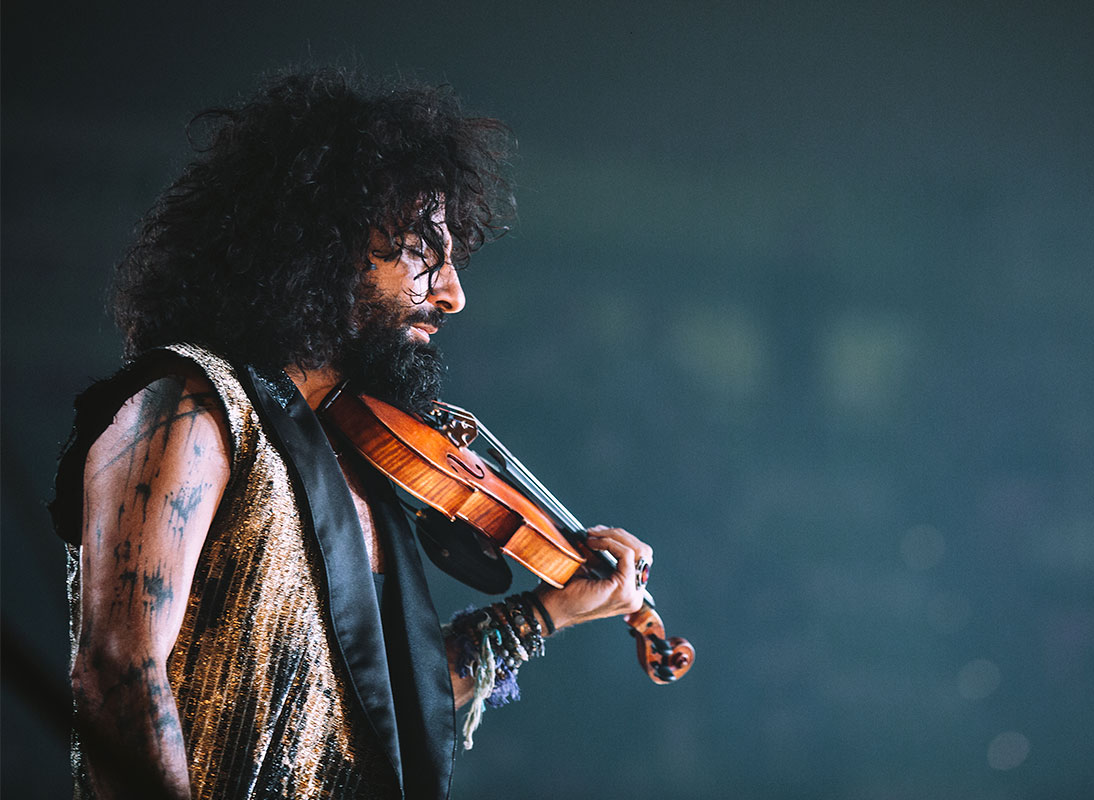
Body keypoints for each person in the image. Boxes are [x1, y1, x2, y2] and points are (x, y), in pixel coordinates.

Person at [49, 68, 654, 800]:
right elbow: (119, 666)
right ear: (323, 247)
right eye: (419, 252)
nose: (454, 294)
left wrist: (545, 610)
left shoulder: (360, 462)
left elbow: (381, 713)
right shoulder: (191, 405)